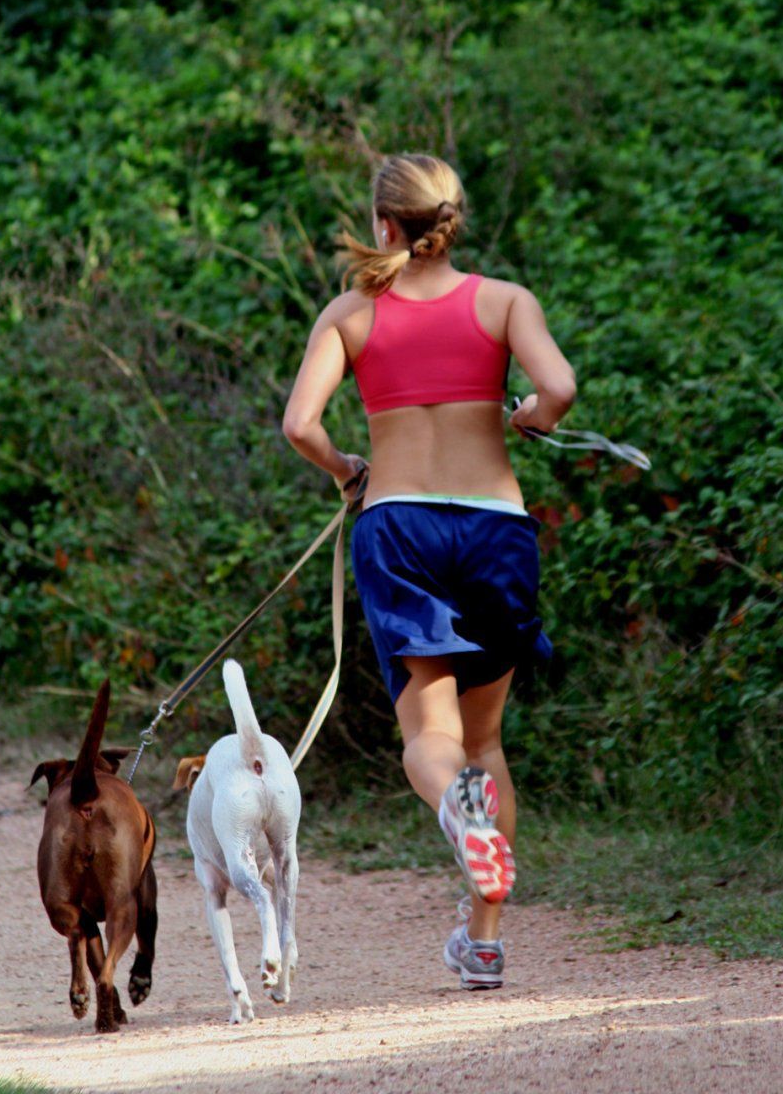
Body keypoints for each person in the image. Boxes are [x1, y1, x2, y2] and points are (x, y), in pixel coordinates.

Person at [283, 153, 576, 990]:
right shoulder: (504, 301)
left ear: (384, 224)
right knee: (483, 741)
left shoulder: (350, 313)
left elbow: (300, 424)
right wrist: (532, 417)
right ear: (451, 219)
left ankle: (455, 807)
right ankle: (482, 942)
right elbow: (558, 385)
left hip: (401, 526)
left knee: (430, 740)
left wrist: (346, 469)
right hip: (495, 528)